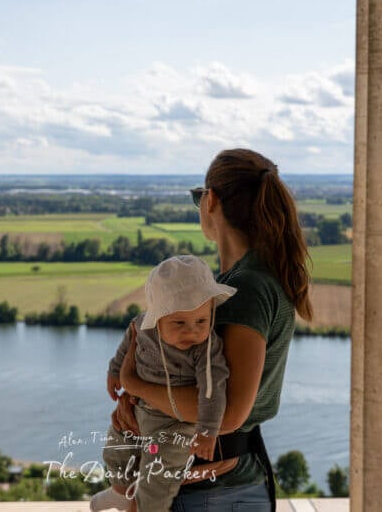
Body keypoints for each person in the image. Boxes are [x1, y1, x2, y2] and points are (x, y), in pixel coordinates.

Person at [112, 149, 314, 511]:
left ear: (211, 201)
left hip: (214, 491)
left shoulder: (246, 289)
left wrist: (135, 384)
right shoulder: (241, 280)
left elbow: (231, 412)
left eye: (198, 198)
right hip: (217, 488)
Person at [89, 254, 237, 512]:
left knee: (159, 474)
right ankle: (120, 493)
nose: (191, 331)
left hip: (174, 424)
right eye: (179, 322)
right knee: (117, 445)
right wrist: (114, 371)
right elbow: (128, 344)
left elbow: (213, 389)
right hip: (138, 407)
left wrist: (207, 431)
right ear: (156, 317)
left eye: (201, 321)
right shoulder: (142, 327)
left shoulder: (206, 348)